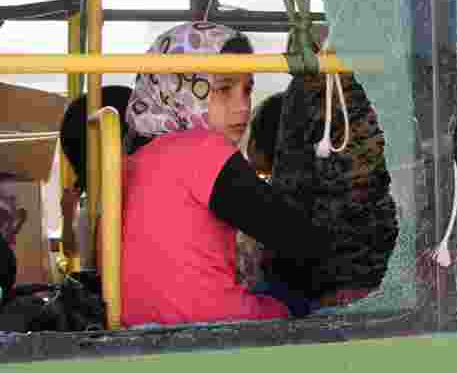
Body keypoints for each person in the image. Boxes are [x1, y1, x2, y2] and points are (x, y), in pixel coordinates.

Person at [120, 22, 331, 326]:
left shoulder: (135, 160)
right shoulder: (202, 149)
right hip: (214, 323)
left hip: (143, 323)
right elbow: (292, 233)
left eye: (247, 90)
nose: (243, 107)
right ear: (180, 86)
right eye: (223, 89)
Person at [58, 85, 132, 263]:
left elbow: (71, 252)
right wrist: (68, 219)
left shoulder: (93, 201)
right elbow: (71, 252)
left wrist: (68, 220)